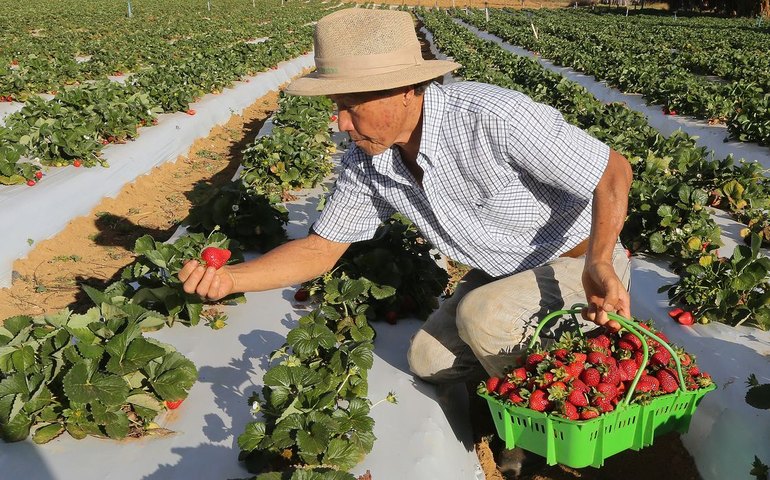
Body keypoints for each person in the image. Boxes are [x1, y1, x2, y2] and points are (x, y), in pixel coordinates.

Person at [179, 7, 631, 473]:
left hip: (576, 264)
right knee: (427, 359)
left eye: (352, 105)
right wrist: (232, 279)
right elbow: (320, 248)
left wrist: (599, 262)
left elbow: (612, 169)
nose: (340, 123)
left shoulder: (492, 116)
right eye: (336, 106)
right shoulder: (369, 160)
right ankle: (508, 386)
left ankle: (548, 431)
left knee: (485, 316)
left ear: (407, 90)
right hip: (505, 272)